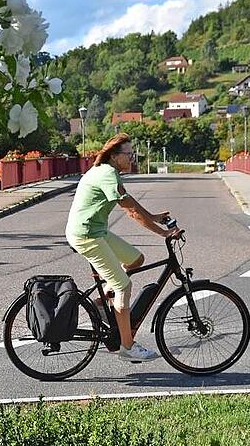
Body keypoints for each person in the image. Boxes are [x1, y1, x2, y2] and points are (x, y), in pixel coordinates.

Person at [65, 133, 180, 362]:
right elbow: (131, 211)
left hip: (98, 231)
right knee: (123, 285)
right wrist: (163, 233)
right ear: (115, 156)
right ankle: (127, 347)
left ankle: (100, 304)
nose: (132, 157)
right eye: (128, 154)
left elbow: (131, 203)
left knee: (136, 260)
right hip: (86, 235)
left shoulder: (109, 172)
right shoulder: (107, 174)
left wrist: (155, 217)